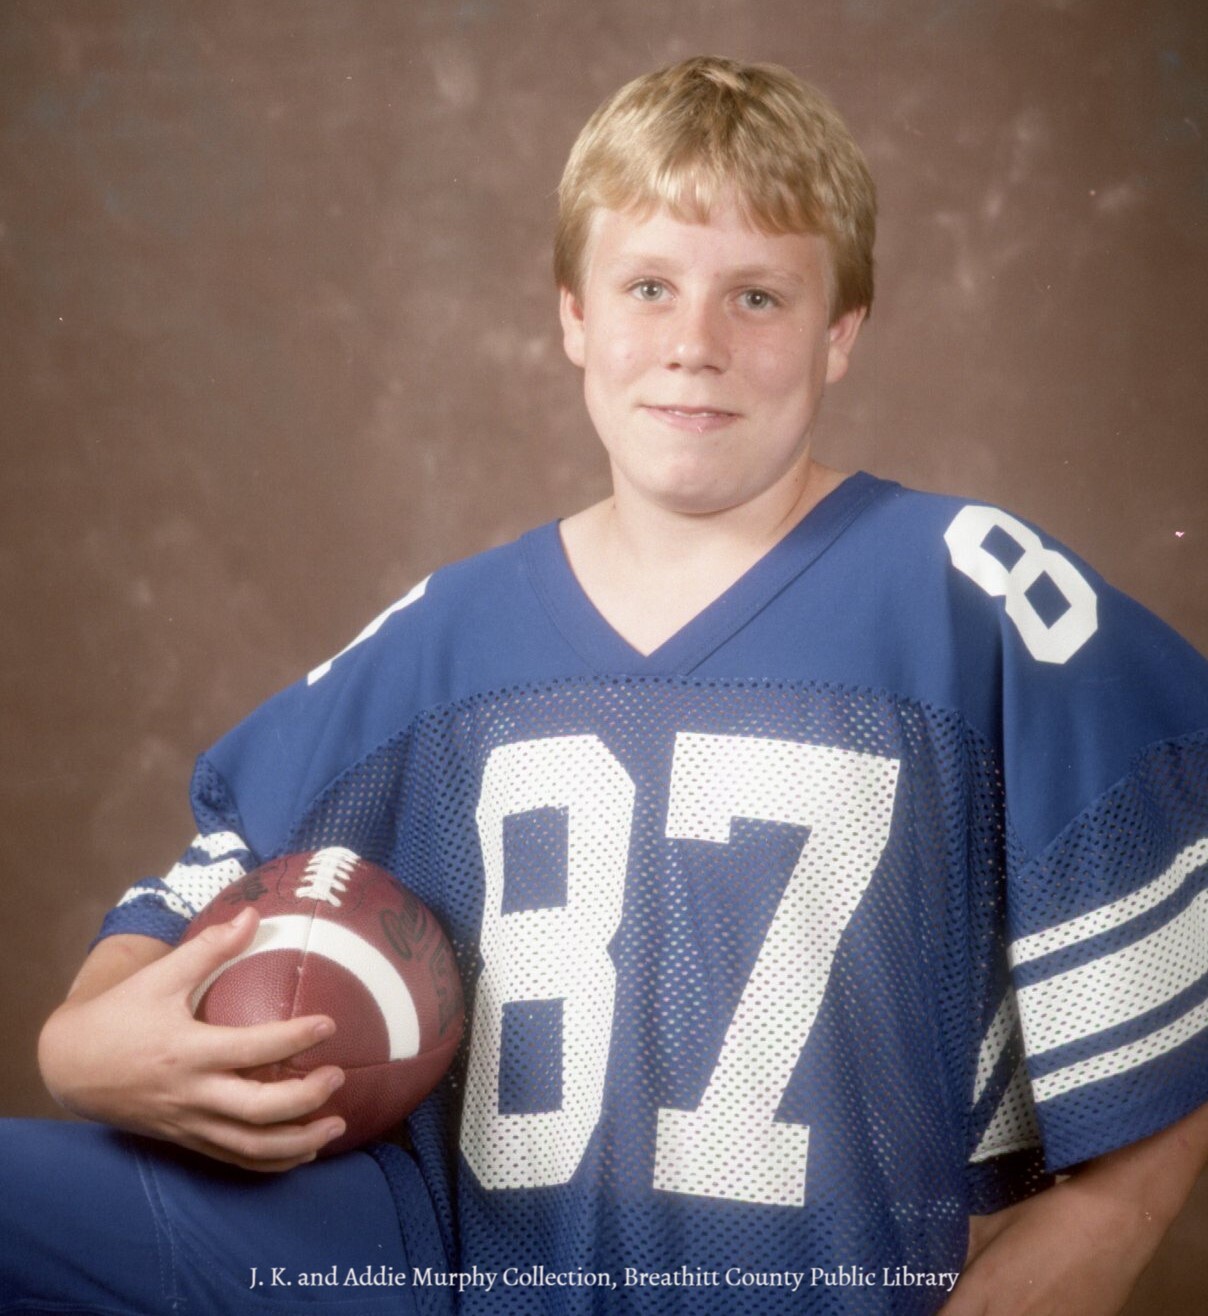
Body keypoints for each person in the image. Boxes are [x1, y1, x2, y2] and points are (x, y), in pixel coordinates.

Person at [5, 55, 1207, 1316]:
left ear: (840, 332)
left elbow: (1168, 944)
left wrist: (1100, 1223)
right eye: (648, 288)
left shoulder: (966, 594)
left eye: (756, 296)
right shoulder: (448, 635)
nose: (694, 346)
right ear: (573, 316)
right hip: (445, 1274)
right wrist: (80, 1048)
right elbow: (210, 877)